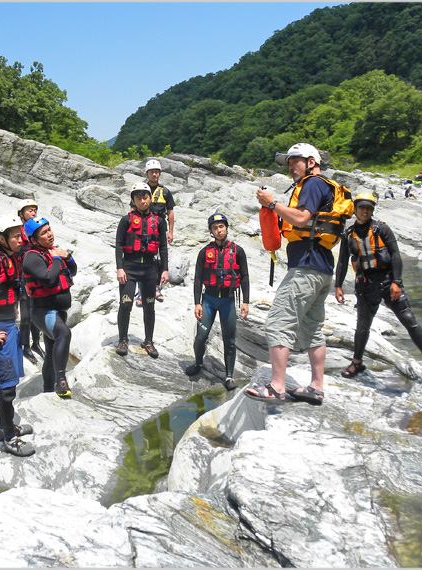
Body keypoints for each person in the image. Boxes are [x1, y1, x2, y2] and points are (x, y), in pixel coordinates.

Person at [249, 143, 353, 405]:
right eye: (289, 162)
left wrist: (273, 204)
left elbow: (301, 218)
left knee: (277, 322)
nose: (290, 167)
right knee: (313, 329)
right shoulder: (320, 185)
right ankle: (316, 388)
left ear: (310, 162)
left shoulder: (313, 184)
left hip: (307, 266)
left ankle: (276, 387)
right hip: (321, 267)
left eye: (294, 161)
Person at [334, 193, 422, 380]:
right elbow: (343, 262)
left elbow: (395, 255)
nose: (365, 211)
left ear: (372, 210)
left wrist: (396, 282)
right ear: (356, 209)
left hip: (387, 282)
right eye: (362, 207)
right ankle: (357, 363)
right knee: (362, 327)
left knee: (409, 319)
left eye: (368, 208)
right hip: (365, 286)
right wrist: (338, 286)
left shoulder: (381, 229)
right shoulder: (348, 234)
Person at [0, 215, 36, 456]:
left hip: (10, 326)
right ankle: (9, 438)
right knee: (7, 384)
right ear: (1, 238)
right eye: (14, 236)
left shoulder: (11, 257)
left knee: (12, 381)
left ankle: (5, 426)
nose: (20, 239)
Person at [185, 213, 250, 391]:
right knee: (201, 337)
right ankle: (198, 363)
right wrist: (197, 303)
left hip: (228, 301)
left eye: (221, 226)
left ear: (226, 228)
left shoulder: (238, 251)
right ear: (211, 231)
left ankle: (229, 376)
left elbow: (244, 277)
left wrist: (245, 302)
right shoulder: (205, 252)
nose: (219, 230)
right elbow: (198, 278)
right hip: (209, 300)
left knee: (229, 340)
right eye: (215, 228)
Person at [21, 216, 78, 398]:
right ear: (34, 239)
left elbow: (73, 271)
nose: (49, 234)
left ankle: (47, 390)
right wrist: (56, 259)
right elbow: (48, 279)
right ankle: (61, 382)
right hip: (43, 312)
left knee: (52, 352)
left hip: (58, 311)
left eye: (49, 229)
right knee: (64, 333)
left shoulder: (51, 251)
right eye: (43, 233)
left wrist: (66, 257)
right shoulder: (31, 257)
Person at [115, 182, 170, 359]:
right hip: (129, 267)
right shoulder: (126, 220)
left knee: (149, 306)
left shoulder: (159, 222)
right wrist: (119, 268)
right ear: (133, 200)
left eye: (145, 197)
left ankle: (148, 341)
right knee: (125, 304)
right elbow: (119, 245)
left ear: (150, 199)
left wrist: (165, 270)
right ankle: (122, 339)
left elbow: (163, 247)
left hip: (149, 268)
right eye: (138, 198)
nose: (142, 200)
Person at [135, 158, 174, 304]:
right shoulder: (139, 190)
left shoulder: (165, 192)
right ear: (147, 173)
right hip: (142, 229)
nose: (154, 174)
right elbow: (133, 209)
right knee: (141, 258)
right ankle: (140, 290)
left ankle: (156, 287)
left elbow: (170, 212)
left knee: (158, 259)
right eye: (152, 172)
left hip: (158, 229)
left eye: (157, 172)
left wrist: (170, 231)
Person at [16, 198, 45, 365]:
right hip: (23, 277)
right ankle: (25, 345)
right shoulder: (18, 232)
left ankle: (35, 343)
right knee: (26, 314)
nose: (33, 213)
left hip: (36, 275)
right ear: (21, 214)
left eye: (34, 210)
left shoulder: (37, 230)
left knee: (36, 311)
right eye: (29, 210)